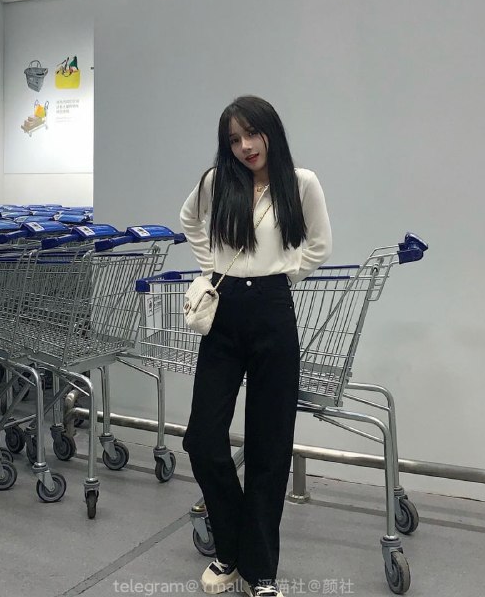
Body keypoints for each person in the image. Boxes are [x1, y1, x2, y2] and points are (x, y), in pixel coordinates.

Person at [180, 95, 332, 597]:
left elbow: (319, 244)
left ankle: (259, 571)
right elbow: (189, 219)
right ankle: (231, 545)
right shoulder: (216, 181)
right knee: (203, 439)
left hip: (273, 311)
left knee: (270, 446)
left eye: (252, 134)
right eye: (234, 139)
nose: (245, 146)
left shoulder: (301, 183)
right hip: (224, 313)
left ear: (271, 131)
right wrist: (209, 269)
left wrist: (284, 275)